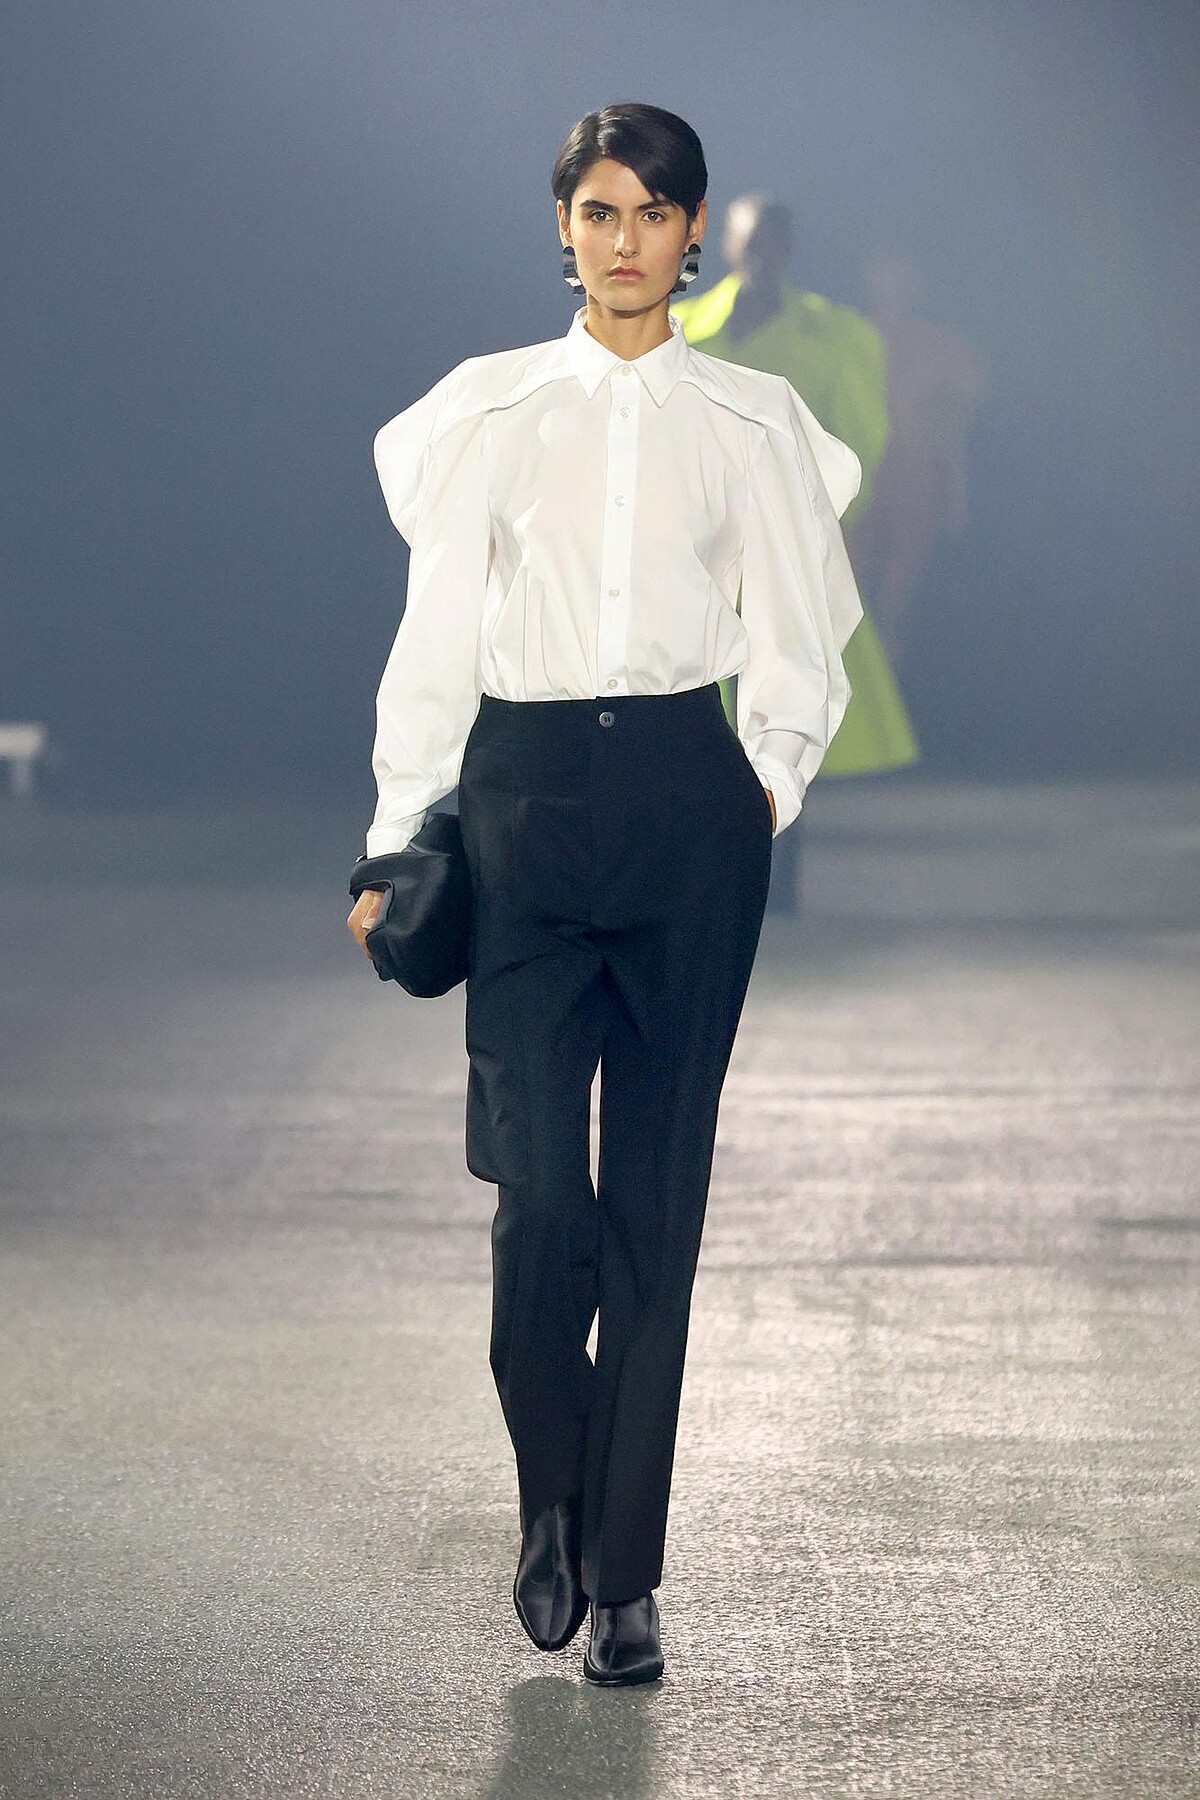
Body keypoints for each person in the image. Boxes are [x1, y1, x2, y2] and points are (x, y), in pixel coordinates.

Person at [345, 103, 864, 1686]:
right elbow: (438, 636)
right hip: (521, 810)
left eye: (651, 213)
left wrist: (764, 785)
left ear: (693, 232)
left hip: (688, 817)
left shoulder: (756, 421)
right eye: (597, 211)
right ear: (562, 228)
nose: (623, 240)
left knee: (654, 1204)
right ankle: (551, 1492)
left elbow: (805, 632)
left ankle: (623, 1574)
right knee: (541, 1207)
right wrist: (396, 836)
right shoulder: (489, 411)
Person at [671, 195, 919, 914]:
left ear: (789, 249)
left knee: (781, 712)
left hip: (786, 548)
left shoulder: (836, 336)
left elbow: (862, 437)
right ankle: (711, 881)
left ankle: (777, 882)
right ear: (726, 245)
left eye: (773, 243)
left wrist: (821, 524)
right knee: (700, 721)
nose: (761, 255)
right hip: (698, 555)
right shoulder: (681, 328)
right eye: (750, 242)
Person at [849, 250, 989, 669]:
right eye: (884, 272)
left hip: (913, 480)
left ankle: (893, 684)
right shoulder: (848, 336)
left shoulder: (940, 348)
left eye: (902, 274)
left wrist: (957, 492)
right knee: (850, 596)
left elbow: (955, 425)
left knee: (897, 598)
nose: (892, 283)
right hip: (859, 481)